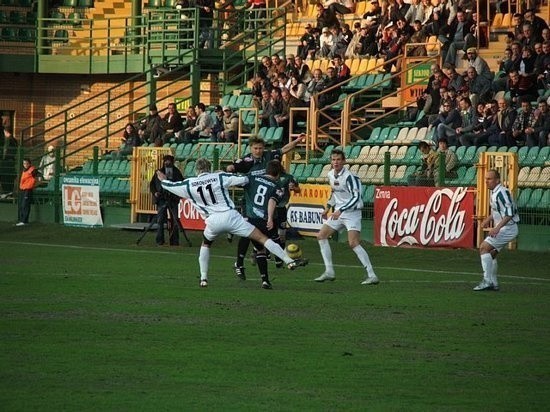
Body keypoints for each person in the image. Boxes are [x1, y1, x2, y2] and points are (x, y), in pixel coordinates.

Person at [158, 158, 308, 288]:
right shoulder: (219, 177)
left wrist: (163, 179)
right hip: (231, 216)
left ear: (197, 170)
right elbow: (244, 180)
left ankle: (203, 278)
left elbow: (170, 186)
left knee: (206, 244)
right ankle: (288, 260)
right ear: (209, 168)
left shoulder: (189, 184)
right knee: (262, 238)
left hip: (212, 221)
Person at [228, 134, 305, 279]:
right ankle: (240, 262)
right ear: (250, 148)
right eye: (255, 148)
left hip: (267, 203)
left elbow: (284, 150)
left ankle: (269, 257)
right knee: (246, 232)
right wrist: (230, 168)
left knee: (271, 233)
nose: (258, 151)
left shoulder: (269, 156)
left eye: (260, 148)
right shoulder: (246, 161)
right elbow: (232, 167)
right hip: (250, 203)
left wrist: (296, 141)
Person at [315, 148, 379, 285]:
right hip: (338, 212)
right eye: (333, 160)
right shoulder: (331, 174)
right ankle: (329, 272)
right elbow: (334, 193)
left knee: (353, 243)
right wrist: (327, 207)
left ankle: (372, 275)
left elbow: (356, 197)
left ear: (343, 161)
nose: (336, 162)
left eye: (338, 159)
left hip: (352, 213)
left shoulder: (350, 177)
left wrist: (341, 209)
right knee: (321, 235)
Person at [234, 160, 286, 289]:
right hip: (262, 220)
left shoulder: (252, 178)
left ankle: (242, 265)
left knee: (258, 247)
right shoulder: (277, 187)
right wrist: (269, 218)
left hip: (250, 218)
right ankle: (278, 265)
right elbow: (272, 202)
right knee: (267, 244)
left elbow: (237, 181)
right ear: (278, 174)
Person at [474, 169, 520, 291]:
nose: (486, 181)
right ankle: (494, 283)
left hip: (507, 228)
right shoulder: (496, 192)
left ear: (497, 180)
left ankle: (487, 281)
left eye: (489, 179)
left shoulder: (502, 193)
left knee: (483, 248)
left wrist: (497, 228)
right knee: (491, 254)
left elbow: (509, 213)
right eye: (486, 179)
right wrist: (488, 219)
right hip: (505, 228)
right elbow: (498, 211)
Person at [149, 155, 184, 246]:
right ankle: (160, 240)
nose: (167, 163)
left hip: (173, 199)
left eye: (169, 161)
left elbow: (181, 183)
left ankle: (174, 241)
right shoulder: (159, 172)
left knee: (175, 220)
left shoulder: (176, 172)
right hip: (161, 199)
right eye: (166, 161)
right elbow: (152, 184)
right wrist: (155, 192)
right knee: (160, 220)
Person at [16, 158, 39, 226]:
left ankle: (24, 221)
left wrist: (35, 183)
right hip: (23, 189)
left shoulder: (32, 170)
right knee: (22, 205)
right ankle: (22, 220)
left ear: (29, 164)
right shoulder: (25, 170)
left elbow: (38, 175)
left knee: (25, 205)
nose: (25, 165)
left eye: (26, 163)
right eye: (24, 163)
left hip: (28, 190)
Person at [0, 127, 18, 196]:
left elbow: (12, 150)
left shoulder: (11, 140)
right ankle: (6, 193)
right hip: (6, 163)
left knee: (7, 179)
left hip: (8, 163)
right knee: (5, 178)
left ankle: (8, 193)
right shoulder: (5, 140)